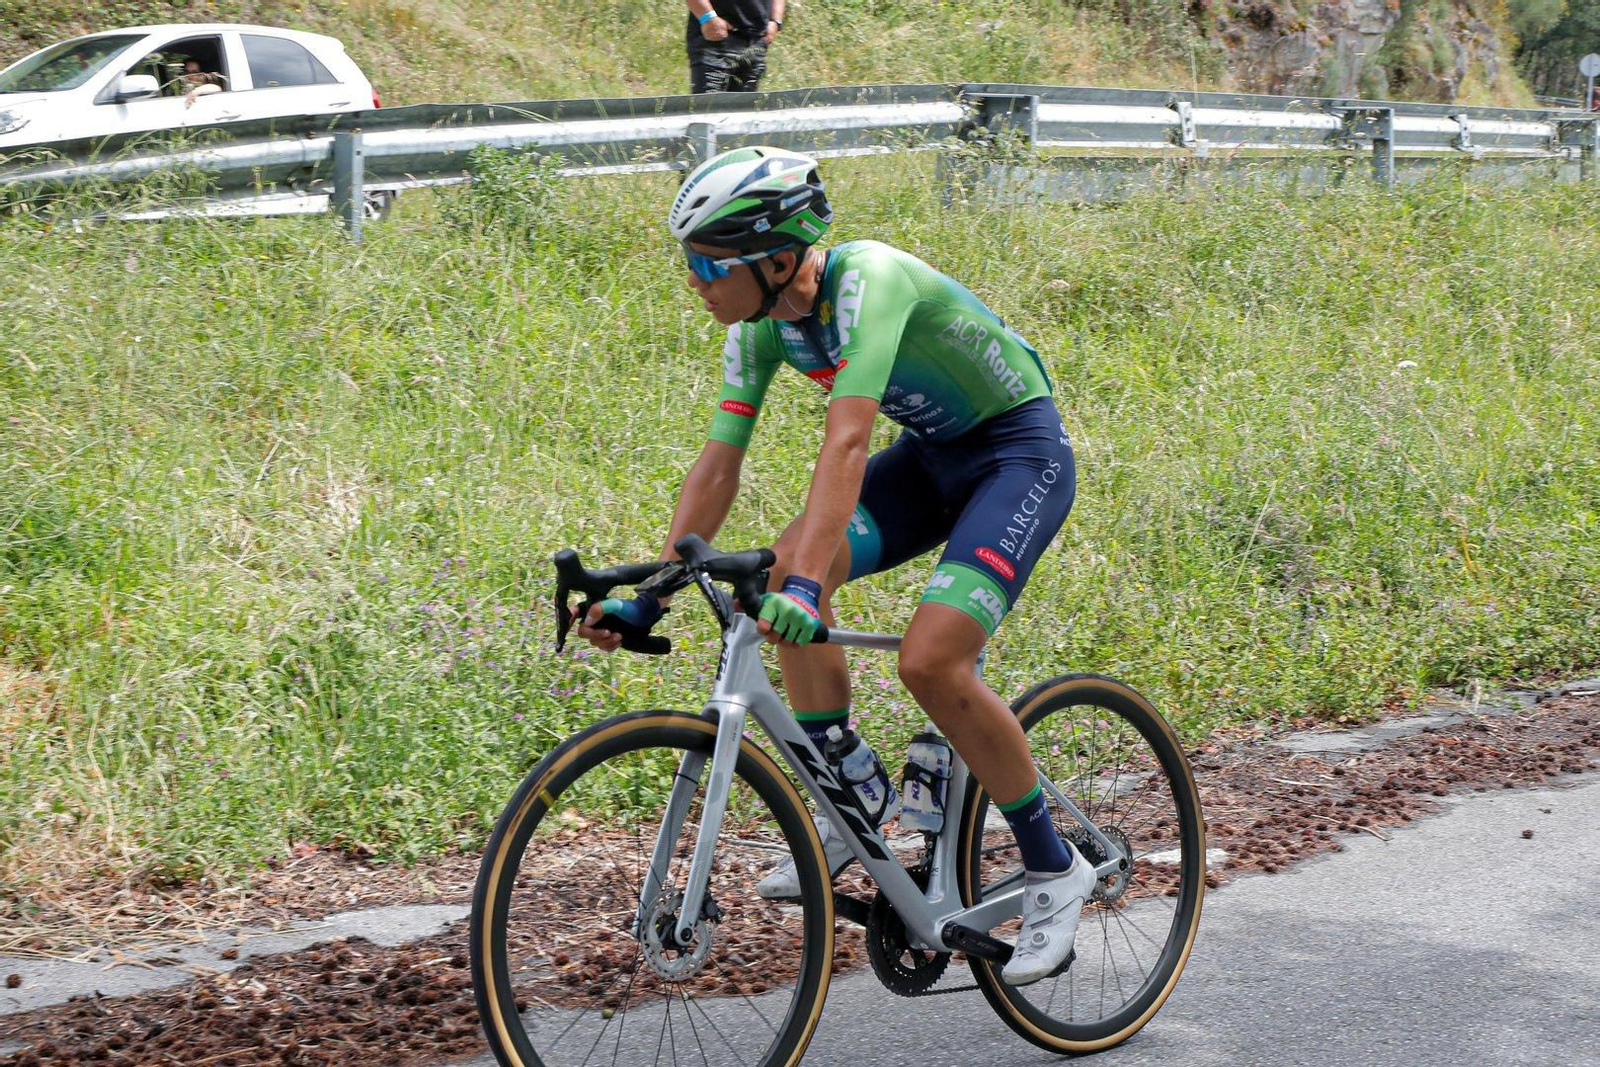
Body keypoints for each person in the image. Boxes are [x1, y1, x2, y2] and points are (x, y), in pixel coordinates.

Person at [575, 146, 1096, 986]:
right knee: (775, 581)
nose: (695, 282)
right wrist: (653, 594)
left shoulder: (869, 282)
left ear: (776, 259)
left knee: (930, 658)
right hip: (931, 459)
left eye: (708, 264)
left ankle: (1053, 865)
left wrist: (811, 586)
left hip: (1017, 456)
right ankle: (852, 793)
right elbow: (718, 466)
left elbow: (847, 443)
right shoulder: (761, 328)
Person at [685, 0, 784, 94]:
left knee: (745, 105)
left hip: (756, 40)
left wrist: (776, 21)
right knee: (709, 104)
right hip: (716, 40)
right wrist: (707, 17)